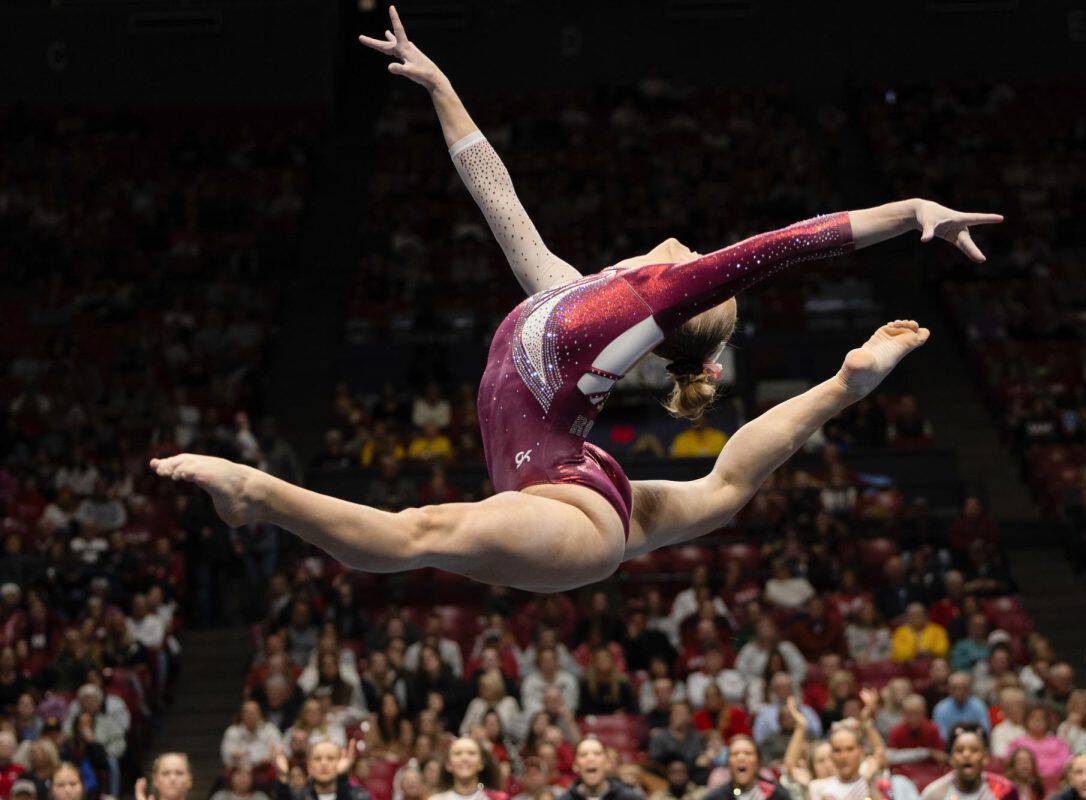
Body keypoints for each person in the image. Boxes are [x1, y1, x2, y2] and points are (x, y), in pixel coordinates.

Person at [151, 8, 1002, 593]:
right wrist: (441, 86)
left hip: (566, 503)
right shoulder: (572, 294)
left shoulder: (660, 297)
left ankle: (254, 492)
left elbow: (790, 243)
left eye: (696, 257)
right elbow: (498, 197)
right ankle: (847, 383)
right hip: (573, 488)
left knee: (418, 536)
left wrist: (914, 212)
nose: (689, 246)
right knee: (723, 489)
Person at [920, 724, 1017, 800]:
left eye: (974, 750)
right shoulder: (933, 795)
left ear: (985, 758)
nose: (966, 755)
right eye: (959, 750)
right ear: (951, 759)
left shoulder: (1004, 790)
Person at [702, 736, 793, 800]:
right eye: (735, 754)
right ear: (728, 764)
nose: (741, 758)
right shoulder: (716, 797)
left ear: (758, 763)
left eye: (748, 753)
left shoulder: (776, 794)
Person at [272, 741, 369, 800]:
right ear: (309, 766)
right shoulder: (298, 796)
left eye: (330, 758)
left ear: (341, 762)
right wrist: (283, 776)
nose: (324, 763)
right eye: (317, 759)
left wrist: (342, 777)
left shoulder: (358, 795)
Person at [1005, 707, 1070, 788]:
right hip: (1023, 786)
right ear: (1026, 721)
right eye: (1033, 717)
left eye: (1041, 718)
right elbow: (1011, 765)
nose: (1037, 721)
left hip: (1054, 786)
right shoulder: (1017, 743)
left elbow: (1065, 764)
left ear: (1047, 721)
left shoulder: (1059, 743)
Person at [562, 739, 642, 800]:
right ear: (575, 765)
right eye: (583, 755)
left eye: (597, 754)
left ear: (607, 763)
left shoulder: (630, 798)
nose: (590, 758)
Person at [429, 737, 504, 800]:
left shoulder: (496, 798)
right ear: (448, 764)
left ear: (481, 763)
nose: (464, 758)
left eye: (471, 753)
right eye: (457, 753)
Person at [931, 673, 990, 741]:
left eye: (963, 688)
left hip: (974, 745)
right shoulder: (940, 709)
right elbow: (941, 736)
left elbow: (985, 731)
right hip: (949, 747)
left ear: (969, 689)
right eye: (955, 688)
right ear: (949, 689)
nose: (959, 691)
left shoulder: (979, 706)